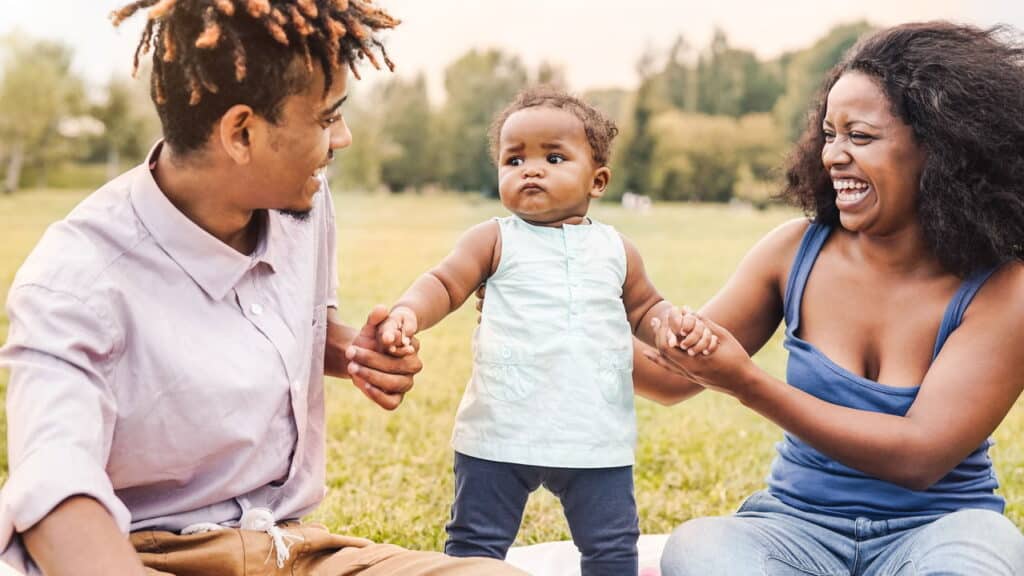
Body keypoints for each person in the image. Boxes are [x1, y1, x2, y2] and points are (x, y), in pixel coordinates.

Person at [0, 1, 528, 574]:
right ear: (242, 132)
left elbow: (282, 322)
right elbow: (54, 492)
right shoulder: (75, 279)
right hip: (145, 555)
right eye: (328, 119)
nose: (343, 137)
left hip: (295, 549)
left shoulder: (302, 199)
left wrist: (352, 351)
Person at [646, 22, 1024, 575]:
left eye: (860, 137)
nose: (833, 156)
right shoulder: (793, 252)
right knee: (698, 548)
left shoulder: (1003, 287)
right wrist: (583, 314)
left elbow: (919, 456)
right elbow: (668, 376)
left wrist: (747, 384)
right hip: (795, 528)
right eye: (829, 134)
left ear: (941, 148)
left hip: (942, 530)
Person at [376, 86, 717, 576]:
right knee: (475, 545)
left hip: (594, 435)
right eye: (513, 160)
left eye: (554, 157)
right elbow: (444, 283)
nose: (530, 170)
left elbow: (645, 308)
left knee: (613, 548)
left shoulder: (616, 249)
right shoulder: (493, 239)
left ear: (597, 180)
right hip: (500, 432)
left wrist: (670, 330)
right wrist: (409, 311)